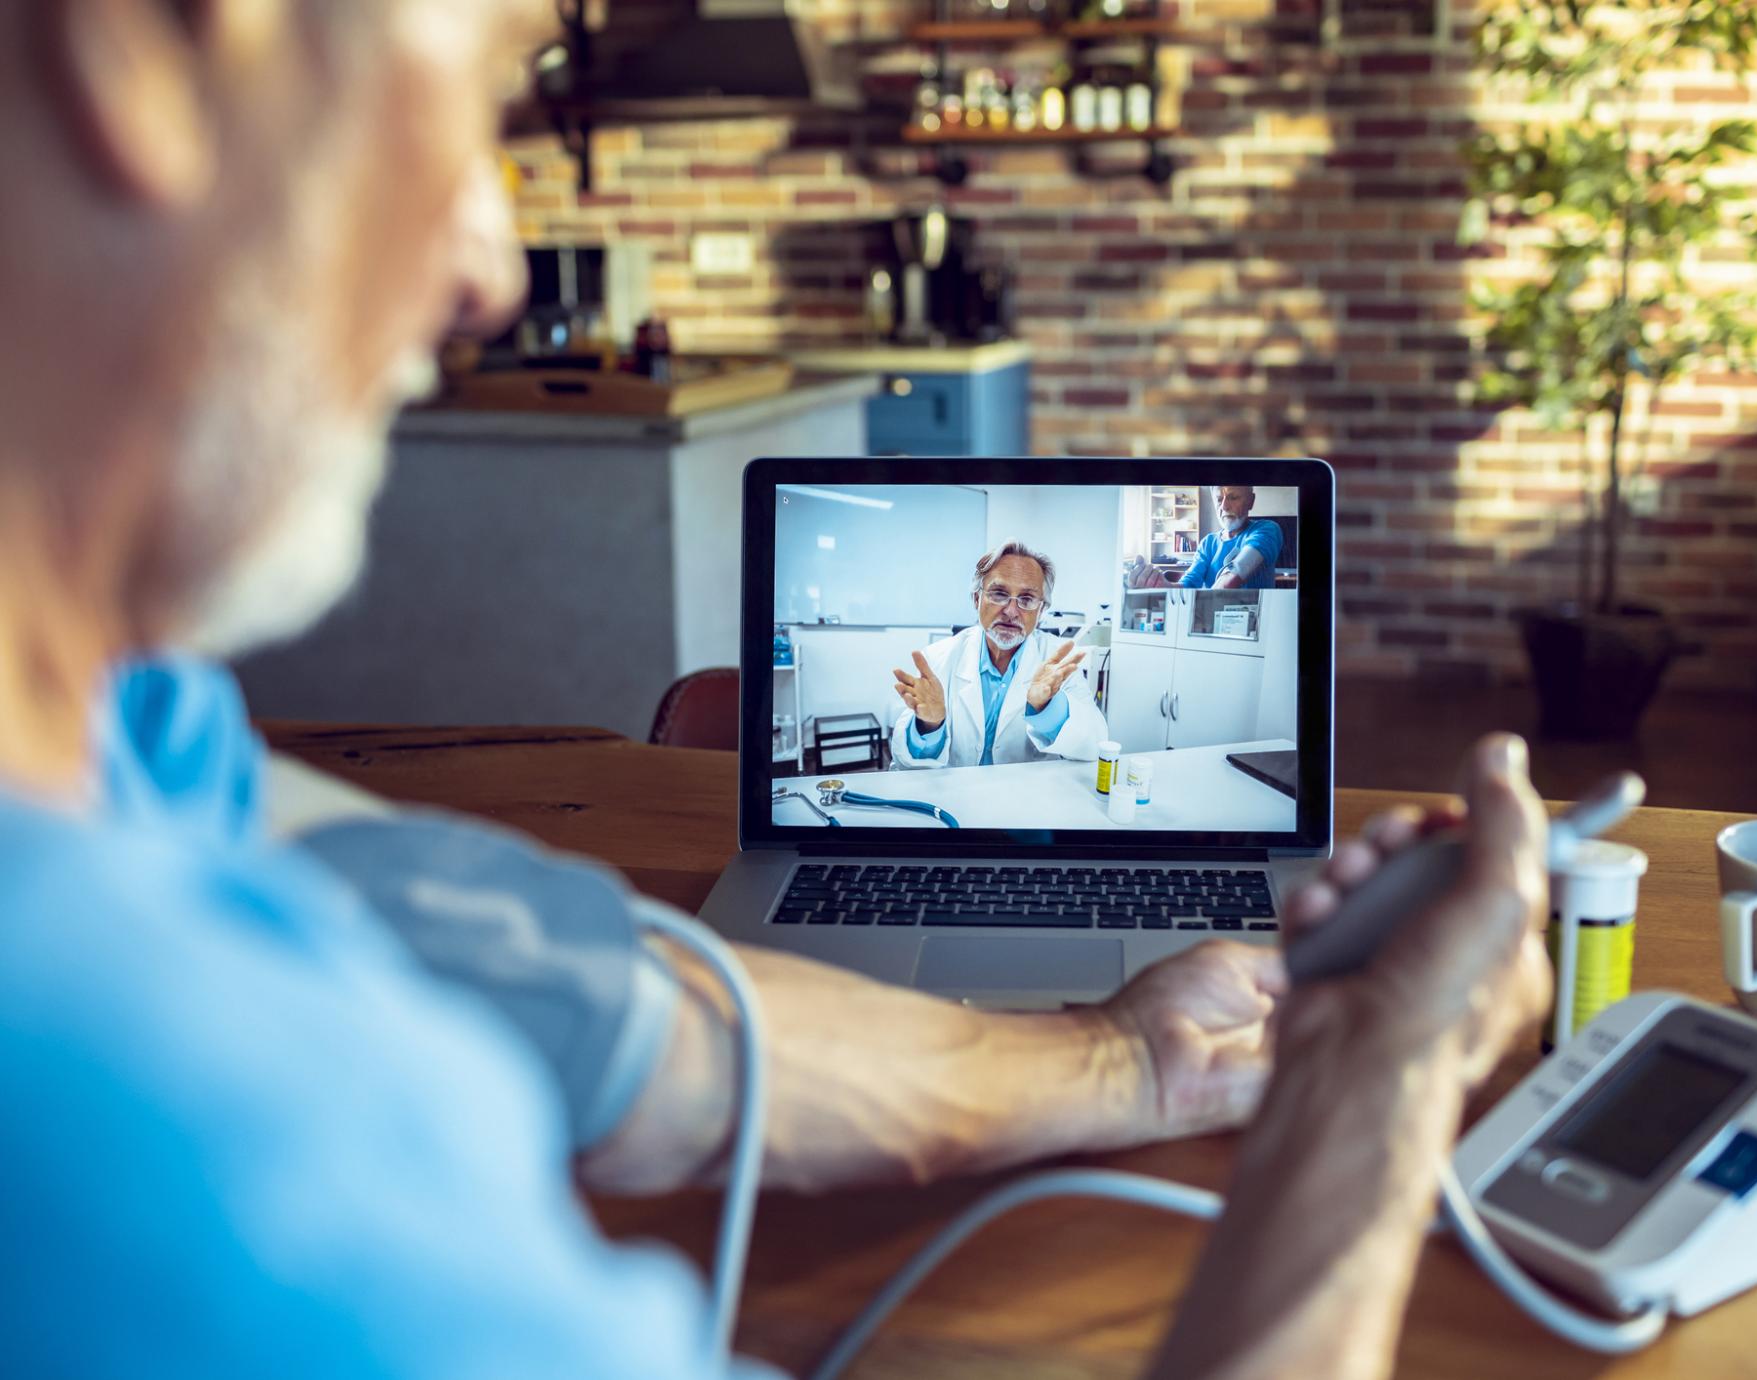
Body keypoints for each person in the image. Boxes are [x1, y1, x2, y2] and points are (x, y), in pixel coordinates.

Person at [0, 4, 1551, 1377]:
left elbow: (581, 999)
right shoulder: (159, 1115)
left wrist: (1130, 1058)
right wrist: (1371, 1099)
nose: (488, 263)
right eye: (484, 82)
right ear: (153, 42)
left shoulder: (123, 739)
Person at [888, 541, 1107, 769]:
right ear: (976, 599)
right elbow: (905, 767)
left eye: (1027, 599)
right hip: (955, 795)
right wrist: (930, 726)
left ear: (1041, 610)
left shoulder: (1059, 663)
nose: (1011, 611)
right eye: (999, 594)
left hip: (1028, 797)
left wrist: (1048, 708)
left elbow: (1095, 744)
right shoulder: (937, 659)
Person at [1179, 485, 1285, 590]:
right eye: (1219, 499)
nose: (1224, 506)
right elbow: (1189, 582)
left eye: (1233, 498)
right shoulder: (1207, 542)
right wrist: (1165, 586)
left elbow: (1235, 573)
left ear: (1250, 501)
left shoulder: (1267, 529)